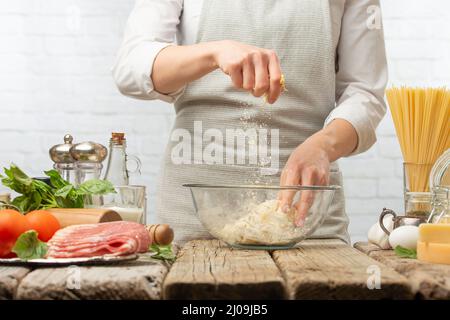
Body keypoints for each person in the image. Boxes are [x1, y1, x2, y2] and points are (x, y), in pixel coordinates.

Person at [112, 0, 388, 243]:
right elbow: (131, 67)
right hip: (194, 219)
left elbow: (365, 92)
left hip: (307, 219)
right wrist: (214, 53)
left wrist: (324, 147)